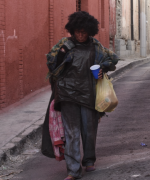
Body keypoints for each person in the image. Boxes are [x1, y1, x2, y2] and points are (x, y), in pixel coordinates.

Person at [45, 11, 119, 180]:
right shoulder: (64, 44)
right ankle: (73, 170)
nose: (80, 35)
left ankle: (89, 160)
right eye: (77, 31)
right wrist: (62, 53)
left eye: (83, 32)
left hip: (89, 93)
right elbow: (51, 63)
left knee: (89, 130)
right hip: (66, 94)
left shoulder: (95, 46)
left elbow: (113, 58)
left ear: (89, 31)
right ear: (72, 30)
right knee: (71, 132)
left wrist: (102, 68)